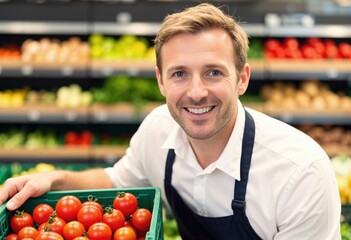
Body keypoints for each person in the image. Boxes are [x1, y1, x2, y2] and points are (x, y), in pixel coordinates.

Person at [0, 3, 341, 239]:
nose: (195, 92)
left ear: (242, 79)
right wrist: (54, 179)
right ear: (161, 81)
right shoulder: (158, 128)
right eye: (179, 73)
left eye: (213, 72)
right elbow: (117, 179)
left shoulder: (300, 173)